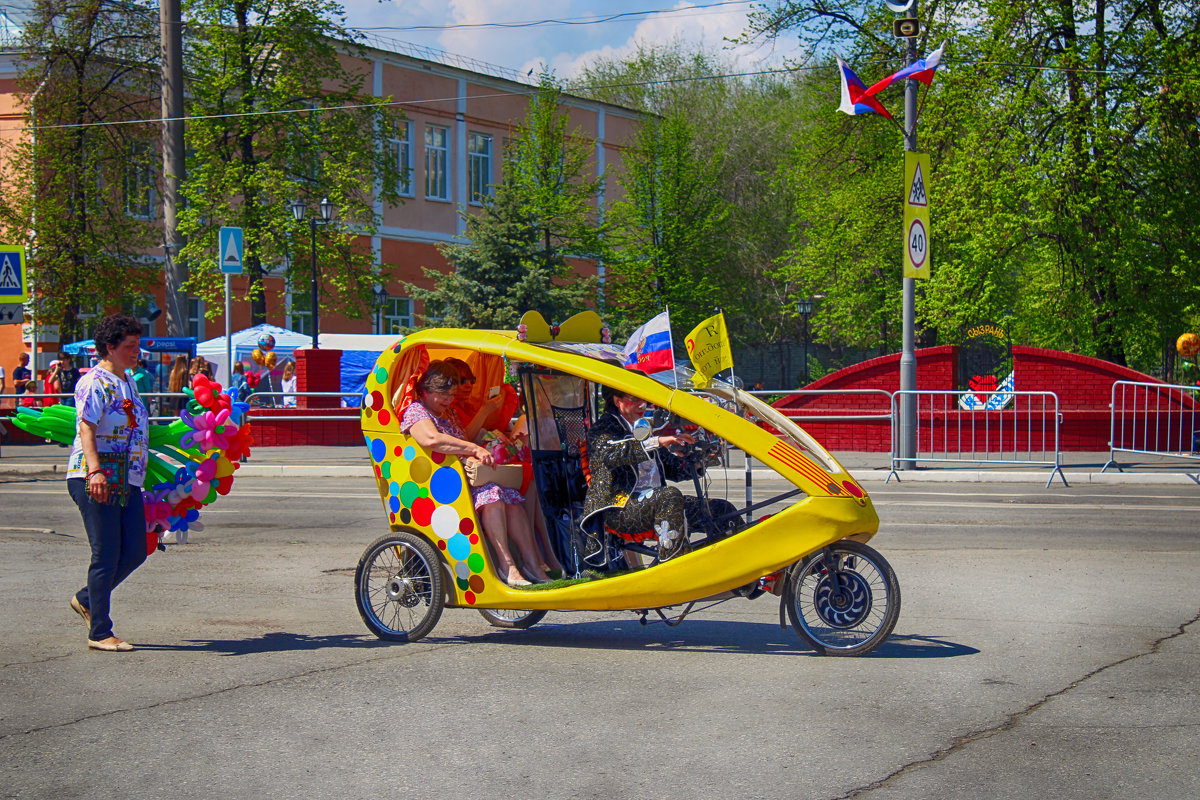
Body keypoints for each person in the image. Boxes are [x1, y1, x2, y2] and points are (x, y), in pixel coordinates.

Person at [400, 360, 550, 585]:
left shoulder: (447, 412)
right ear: (426, 391)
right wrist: (473, 448)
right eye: (444, 396)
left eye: (451, 395)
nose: (449, 401)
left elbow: (464, 438)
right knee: (493, 494)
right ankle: (506, 566)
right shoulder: (416, 411)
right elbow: (431, 438)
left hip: (464, 478)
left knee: (511, 498)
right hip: (440, 485)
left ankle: (533, 565)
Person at [65, 313, 150, 652]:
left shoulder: (128, 381)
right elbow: (86, 427)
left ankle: (86, 598)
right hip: (97, 475)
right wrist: (95, 471)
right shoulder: (93, 382)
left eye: (138, 345)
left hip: (127, 477)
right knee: (106, 554)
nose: (137, 351)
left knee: (135, 551)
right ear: (109, 347)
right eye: (130, 346)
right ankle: (100, 632)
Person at [581, 385, 733, 562]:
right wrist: (658, 441)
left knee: (721, 509)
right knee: (669, 496)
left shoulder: (642, 428)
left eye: (643, 399)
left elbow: (674, 468)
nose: (642, 405)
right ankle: (673, 561)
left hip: (655, 505)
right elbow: (609, 455)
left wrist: (700, 458)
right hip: (619, 509)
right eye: (634, 399)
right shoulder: (603, 428)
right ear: (618, 401)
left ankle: (738, 567)